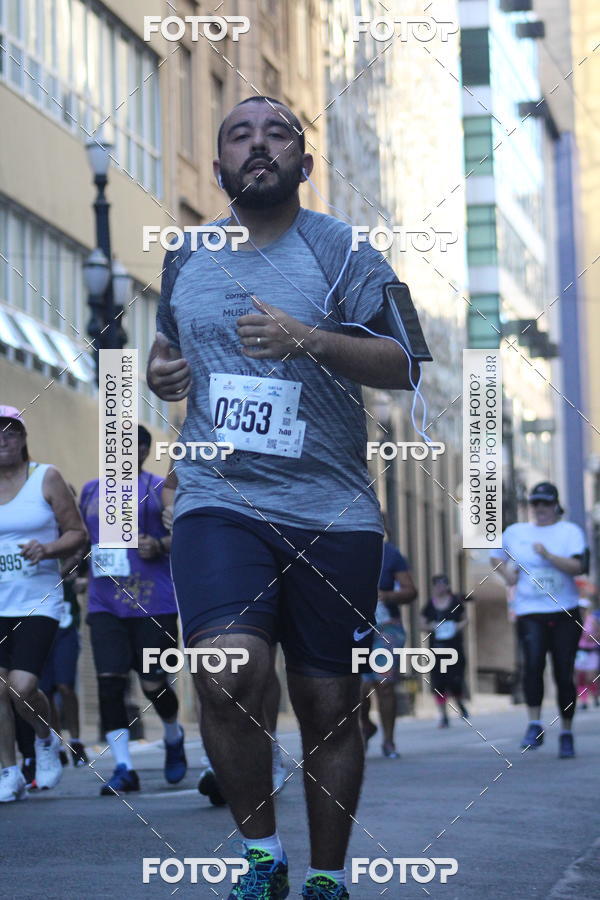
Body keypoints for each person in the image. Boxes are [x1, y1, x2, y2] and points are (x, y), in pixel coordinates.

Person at [148, 95, 421, 899]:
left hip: (330, 508)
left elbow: (407, 361)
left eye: (277, 134)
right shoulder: (183, 255)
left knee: (329, 702)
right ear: (221, 165)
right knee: (227, 673)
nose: (258, 145)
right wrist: (166, 372)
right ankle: (261, 860)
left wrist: (310, 339)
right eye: (240, 134)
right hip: (218, 498)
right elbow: (169, 350)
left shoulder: (346, 252)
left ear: (304, 163)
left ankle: (329, 876)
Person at [161, 469, 288, 805]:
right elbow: (171, 483)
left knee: (263, 658)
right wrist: (173, 509)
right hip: (214, 546)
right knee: (212, 661)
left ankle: (269, 749)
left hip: (268, 542)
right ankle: (215, 763)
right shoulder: (204, 429)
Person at [80, 424, 187, 795]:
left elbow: (187, 536)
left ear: (144, 449)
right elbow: (82, 539)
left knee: (152, 681)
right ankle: (123, 767)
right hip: (104, 601)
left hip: (153, 602)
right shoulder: (91, 490)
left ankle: (173, 736)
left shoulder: (161, 489)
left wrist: (159, 544)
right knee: (110, 684)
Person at [0, 406, 87, 801]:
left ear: (23, 438)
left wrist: (47, 548)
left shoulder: (45, 477)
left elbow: (77, 533)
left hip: (38, 600)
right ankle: (9, 771)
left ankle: (45, 738)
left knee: (21, 688)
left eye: (11, 432)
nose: (3, 440)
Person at [490, 482, 589, 758]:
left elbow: (579, 567)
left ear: (555, 505)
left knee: (563, 671)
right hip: (529, 610)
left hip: (565, 610)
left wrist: (548, 555)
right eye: (535, 503)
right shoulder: (516, 532)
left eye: (546, 503)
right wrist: (508, 577)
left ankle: (567, 731)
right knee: (532, 666)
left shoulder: (569, 532)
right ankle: (534, 724)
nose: (540, 509)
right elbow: (495, 557)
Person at [360, 523, 416, 758]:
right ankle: (366, 726)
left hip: (386, 627)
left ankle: (389, 741)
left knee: (384, 684)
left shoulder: (391, 554)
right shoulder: (345, 549)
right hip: (355, 628)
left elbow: (410, 591)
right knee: (358, 688)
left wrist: (387, 595)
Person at [38, 549, 89, 767]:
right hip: (36, 622)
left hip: (65, 623)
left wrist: (85, 577)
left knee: (65, 685)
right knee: (45, 690)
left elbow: (86, 550)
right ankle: (57, 744)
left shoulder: (71, 532)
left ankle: (76, 742)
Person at [421, 575, 469, 727]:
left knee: (455, 680)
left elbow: (465, 619)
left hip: (454, 648)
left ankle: (460, 704)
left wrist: (456, 627)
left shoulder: (455, 602)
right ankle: (443, 715)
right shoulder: (429, 605)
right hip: (437, 649)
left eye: (443, 584)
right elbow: (422, 623)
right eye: (437, 585)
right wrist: (432, 627)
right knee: (439, 682)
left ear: (447, 586)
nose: (440, 588)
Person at [574, 599, 600, 710]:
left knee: (591, 677)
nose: (581, 610)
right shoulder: (574, 620)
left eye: (583, 608)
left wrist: (592, 638)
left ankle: (595, 696)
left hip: (591, 652)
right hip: (580, 652)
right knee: (580, 677)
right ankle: (583, 701)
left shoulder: (592, 620)